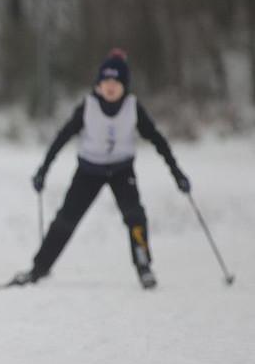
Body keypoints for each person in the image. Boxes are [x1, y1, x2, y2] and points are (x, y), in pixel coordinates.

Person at [13, 49, 191, 289]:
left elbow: (158, 141)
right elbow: (61, 138)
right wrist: (43, 169)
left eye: (116, 81)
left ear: (124, 85)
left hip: (121, 171)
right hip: (89, 171)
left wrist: (177, 173)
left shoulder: (132, 107)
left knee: (135, 216)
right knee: (66, 219)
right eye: (105, 81)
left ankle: (143, 265)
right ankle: (39, 268)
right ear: (98, 84)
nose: (110, 86)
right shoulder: (87, 107)